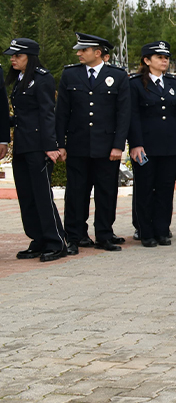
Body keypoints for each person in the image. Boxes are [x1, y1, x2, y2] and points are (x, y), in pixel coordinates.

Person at [55, 32, 130, 253]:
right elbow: (62, 114)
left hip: (107, 147)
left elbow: (123, 114)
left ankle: (104, 235)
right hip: (78, 145)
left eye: (83, 50)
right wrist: (61, 144)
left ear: (98, 53)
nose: (78, 53)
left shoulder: (117, 76)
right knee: (76, 192)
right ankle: (75, 235)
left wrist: (118, 145)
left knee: (106, 192)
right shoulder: (70, 75)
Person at [4, 38, 66, 262]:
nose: (12, 59)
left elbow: (47, 114)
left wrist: (51, 146)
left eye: (17, 55)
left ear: (29, 57)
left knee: (41, 196)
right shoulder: (20, 79)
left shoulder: (42, 79)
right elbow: (23, 116)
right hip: (22, 146)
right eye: (11, 55)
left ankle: (56, 241)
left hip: (38, 147)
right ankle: (38, 239)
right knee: (27, 196)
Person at [127, 41, 176, 248]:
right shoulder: (135, 84)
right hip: (145, 147)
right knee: (145, 188)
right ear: (147, 60)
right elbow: (133, 116)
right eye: (159, 57)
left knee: (165, 189)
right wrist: (136, 144)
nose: (164, 61)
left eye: (166, 57)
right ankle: (145, 232)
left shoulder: (174, 84)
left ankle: (162, 230)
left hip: (170, 146)